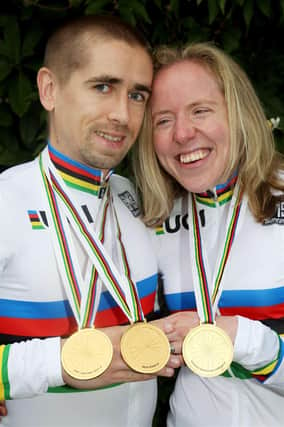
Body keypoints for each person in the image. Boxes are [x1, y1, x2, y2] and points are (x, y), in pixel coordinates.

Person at [0, 15, 181, 427]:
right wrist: (57, 363)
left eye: (138, 95)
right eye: (103, 87)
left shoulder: (133, 198)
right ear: (49, 89)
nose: (122, 114)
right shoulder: (6, 203)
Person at [133, 42, 284, 426]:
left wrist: (247, 341)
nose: (183, 133)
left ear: (239, 113)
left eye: (200, 111)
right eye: (163, 120)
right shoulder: (149, 220)